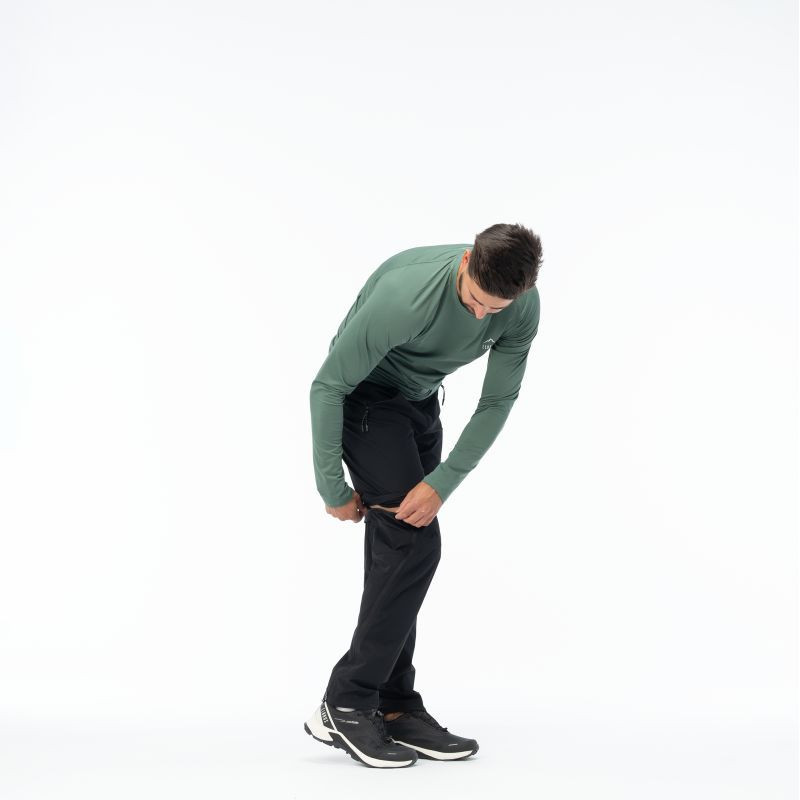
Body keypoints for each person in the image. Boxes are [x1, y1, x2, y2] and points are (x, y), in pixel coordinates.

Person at [304, 222, 542, 768]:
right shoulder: (405, 296)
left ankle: (393, 705)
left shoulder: (522, 307)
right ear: (467, 262)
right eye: (475, 302)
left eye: (495, 309)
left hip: (421, 403)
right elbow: (329, 385)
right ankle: (346, 701)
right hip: (366, 400)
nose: (481, 317)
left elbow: (497, 401)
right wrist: (331, 485)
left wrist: (443, 482)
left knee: (398, 558)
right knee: (414, 546)